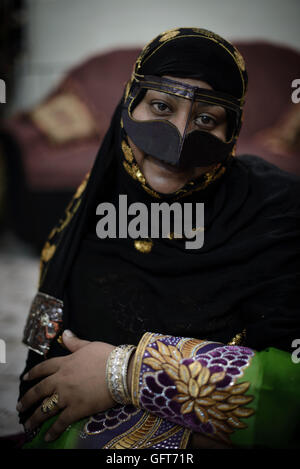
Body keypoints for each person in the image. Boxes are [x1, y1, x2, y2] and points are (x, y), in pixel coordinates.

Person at [17, 27, 300, 449]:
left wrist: (127, 373)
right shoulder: (93, 203)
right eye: (161, 106)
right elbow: (46, 386)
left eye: (207, 119)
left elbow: (289, 385)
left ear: (232, 131)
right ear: (131, 102)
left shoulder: (278, 209)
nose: (178, 140)